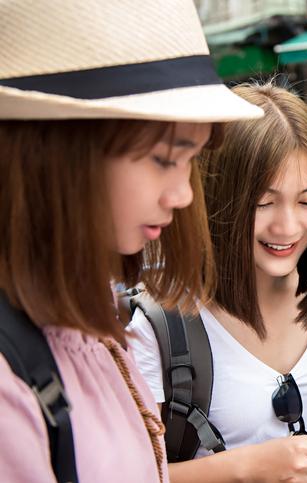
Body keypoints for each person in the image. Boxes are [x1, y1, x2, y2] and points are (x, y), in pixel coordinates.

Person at [0, 1, 265, 482]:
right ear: (58, 156)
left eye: (191, 162)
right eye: (165, 159)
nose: (184, 194)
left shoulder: (84, 316)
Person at [127, 82, 307, 483]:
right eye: (263, 203)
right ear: (216, 197)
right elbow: (127, 472)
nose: (288, 226)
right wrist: (250, 469)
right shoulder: (161, 329)